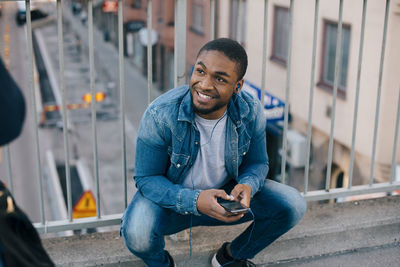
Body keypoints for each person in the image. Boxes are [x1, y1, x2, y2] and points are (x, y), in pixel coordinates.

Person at [120, 38, 306, 267]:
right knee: (137, 233)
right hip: (172, 202)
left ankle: (229, 258)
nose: (205, 85)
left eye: (219, 78)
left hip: (225, 200)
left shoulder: (250, 110)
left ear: (237, 86)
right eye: (200, 71)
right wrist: (195, 200)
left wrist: (248, 185)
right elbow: (146, 179)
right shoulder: (161, 114)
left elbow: (258, 163)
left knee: (293, 204)